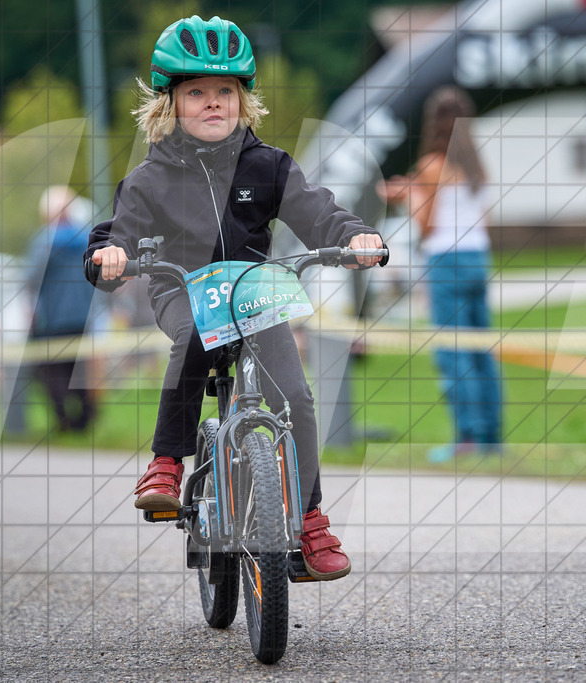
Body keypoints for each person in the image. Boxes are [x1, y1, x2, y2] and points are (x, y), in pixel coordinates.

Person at [84, 15, 385, 581]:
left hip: (253, 291)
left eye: (224, 91)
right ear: (170, 103)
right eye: (196, 93)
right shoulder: (150, 178)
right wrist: (110, 256)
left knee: (295, 397)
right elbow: (116, 232)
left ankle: (309, 519)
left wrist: (354, 237)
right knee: (195, 333)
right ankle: (167, 462)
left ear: (242, 99)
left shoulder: (268, 166)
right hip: (182, 288)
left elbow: (319, 213)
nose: (213, 103)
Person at [380, 86, 502, 462]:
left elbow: (427, 224)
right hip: (478, 256)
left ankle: (467, 435)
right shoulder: (477, 165)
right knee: (481, 350)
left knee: (452, 351)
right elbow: (482, 218)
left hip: (447, 260)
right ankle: (490, 437)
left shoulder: (432, 164)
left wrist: (408, 196)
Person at [28, 186, 97, 432]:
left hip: (53, 318)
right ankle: (85, 420)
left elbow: (31, 278)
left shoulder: (44, 241)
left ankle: (63, 419)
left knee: (52, 370)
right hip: (82, 316)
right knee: (79, 369)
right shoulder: (87, 238)